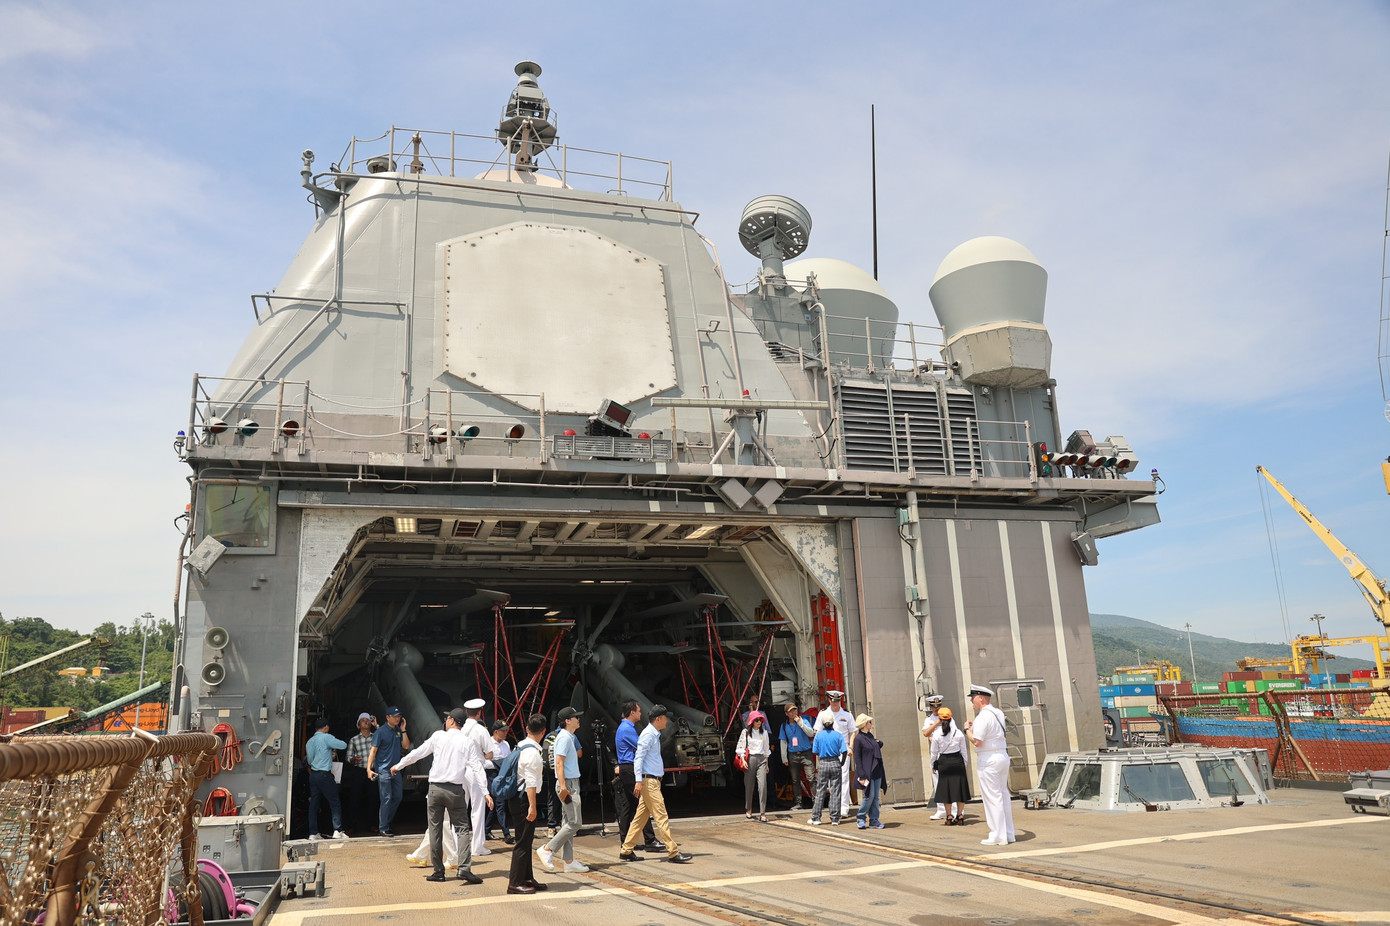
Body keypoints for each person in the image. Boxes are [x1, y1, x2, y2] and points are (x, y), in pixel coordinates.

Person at [391, 708, 483, 885]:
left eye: (447, 718)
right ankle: (464, 869)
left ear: (451, 720)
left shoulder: (438, 736)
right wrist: (486, 792)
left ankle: (438, 872)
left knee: (435, 830)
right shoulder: (467, 741)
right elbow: (477, 768)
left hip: (435, 790)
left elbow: (417, 753)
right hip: (455, 791)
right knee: (462, 829)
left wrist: (398, 766)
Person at [618, 705, 692, 863]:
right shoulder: (648, 735)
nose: (667, 721)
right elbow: (638, 758)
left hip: (651, 781)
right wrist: (638, 780)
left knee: (639, 818)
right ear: (658, 719)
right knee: (661, 816)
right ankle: (673, 852)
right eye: (665, 718)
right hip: (649, 782)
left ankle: (626, 850)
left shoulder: (653, 734)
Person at [537, 706, 588, 873]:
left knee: (568, 822)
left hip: (570, 782)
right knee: (575, 822)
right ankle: (547, 849)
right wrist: (564, 785)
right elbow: (559, 762)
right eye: (576, 717)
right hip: (569, 784)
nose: (578, 719)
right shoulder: (565, 738)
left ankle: (568, 861)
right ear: (567, 721)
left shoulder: (568, 736)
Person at [965, 684, 1015, 846]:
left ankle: (997, 835)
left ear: (981, 698)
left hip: (988, 759)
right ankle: (1008, 833)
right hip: (1002, 756)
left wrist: (967, 730)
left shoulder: (983, 716)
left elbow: (977, 741)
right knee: (1003, 795)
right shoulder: (998, 713)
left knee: (992, 798)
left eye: (973, 698)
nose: (972, 701)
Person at [507, 713, 549, 895]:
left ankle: (527, 877)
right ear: (544, 731)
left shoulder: (520, 746)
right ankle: (515, 882)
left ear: (527, 728)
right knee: (523, 842)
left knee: (525, 840)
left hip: (516, 797)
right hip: (525, 799)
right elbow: (530, 782)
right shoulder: (533, 753)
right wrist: (532, 806)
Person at [613, 701, 658, 851]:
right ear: (632, 712)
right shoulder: (627, 729)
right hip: (630, 768)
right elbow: (641, 747)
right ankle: (650, 840)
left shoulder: (625, 727)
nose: (640, 713)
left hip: (626, 768)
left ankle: (626, 841)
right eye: (638, 711)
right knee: (643, 803)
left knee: (628, 806)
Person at [366, 706, 410, 837]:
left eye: (399, 716)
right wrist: (369, 769)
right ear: (388, 717)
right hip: (384, 770)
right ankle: (383, 828)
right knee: (386, 798)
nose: (397, 719)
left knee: (397, 797)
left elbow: (406, 746)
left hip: (395, 770)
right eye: (395, 716)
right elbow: (373, 751)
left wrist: (403, 729)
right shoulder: (380, 732)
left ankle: (386, 823)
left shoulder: (398, 731)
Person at [459, 698, 496, 857]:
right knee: (478, 809)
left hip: (460, 770)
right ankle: (477, 847)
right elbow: (490, 754)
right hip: (475, 771)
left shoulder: (460, 728)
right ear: (479, 713)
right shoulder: (481, 730)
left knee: (460, 809)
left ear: (466, 712)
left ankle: (457, 846)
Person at [304, 717, 347, 840]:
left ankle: (313, 833)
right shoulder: (326, 737)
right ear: (326, 727)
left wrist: (326, 755)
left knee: (314, 804)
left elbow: (310, 760)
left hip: (313, 775)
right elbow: (343, 745)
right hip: (324, 774)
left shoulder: (310, 741)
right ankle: (337, 830)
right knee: (334, 802)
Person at [929, 707, 970, 825]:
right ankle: (960, 815)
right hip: (957, 761)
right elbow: (964, 751)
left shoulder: (937, 734)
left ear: (940, 719)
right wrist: (965, 764)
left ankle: (949, 816)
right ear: (951, 718)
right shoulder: (958, 733)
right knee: (960, 789)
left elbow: (934, 752)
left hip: (944, 762)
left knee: (946, 789)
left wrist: (933, 764)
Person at [808, 712, 846, 825]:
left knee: (820, 790)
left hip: (823, 763)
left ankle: (816, 817)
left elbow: (815, 752)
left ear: (823, 724)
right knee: (835, 791)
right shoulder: (838, 735)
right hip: (835, 762)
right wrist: (842, 763)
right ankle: (835, 818)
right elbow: (844, 751)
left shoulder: (818, 736)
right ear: (833, 723)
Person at [343, 712, 378, 834]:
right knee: (355, 798)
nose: (366, 721)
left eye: (368, 720)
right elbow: (348, 757)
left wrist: (377, 725)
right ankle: (352, 825)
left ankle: (373, 824)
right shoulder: (354, 740)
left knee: (374, 798)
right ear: (358, 725)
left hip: (372, 771)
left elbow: (385, 737)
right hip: (359, 771)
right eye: (363, 720)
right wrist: (353, 759)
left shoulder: (376, 737)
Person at [852, 713, 887, 829]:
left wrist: (878, 742)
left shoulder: (870, 736)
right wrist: (861, 774)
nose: (871, 724)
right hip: (867, 772)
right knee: (869, 796)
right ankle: (861, 818)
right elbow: (857, 757)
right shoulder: (859, 738)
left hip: (877, 770)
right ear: (865, 724)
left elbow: (878, 744)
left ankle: (874, 820)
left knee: (876, 797)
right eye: (869, 722)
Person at [780, 702, 817, 810]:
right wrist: (784, 757)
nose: (794, 712)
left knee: (811, 778)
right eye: (791, 711)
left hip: (806, 753)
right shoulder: (784, 725)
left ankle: (816, 802)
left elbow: (811, 733)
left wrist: (800, 723)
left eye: (795, 710)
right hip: (793, 754)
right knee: (795, 780)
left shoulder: (804, 720)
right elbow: (783, 742)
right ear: (786, 713)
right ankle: (798, 802)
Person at [825, 690, 856, 817]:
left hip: (843, 750)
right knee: (831, 780)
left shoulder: (847, 715)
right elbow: (818, 733)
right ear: (829, 700)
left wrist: (851, 747)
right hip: (828, 751)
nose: (835, 703)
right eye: (833, 701)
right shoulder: (823, 714)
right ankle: (834, 806)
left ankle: (844, 807)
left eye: (837, 701)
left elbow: (852, 732)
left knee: (843, 778)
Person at [736, 710, 772, 821]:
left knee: (762, 786)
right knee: (749, 786)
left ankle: (762, 812)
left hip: (761, 759)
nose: (759, 722)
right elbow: (740, 747)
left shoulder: (764, 733)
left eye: (760, 720)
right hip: (750, 759)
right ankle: (748, 809)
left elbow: (766, 749)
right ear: (752, 721)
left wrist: (767, 764)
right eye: (757, 720)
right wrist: (743, 759)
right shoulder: (745, 732)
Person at [920, 694, 948, 821]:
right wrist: (937, 722)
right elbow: (926, 733)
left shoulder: (948, 717)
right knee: (937, 782)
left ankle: (954, 810)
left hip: (948, 751)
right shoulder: (929, 720)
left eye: (938, 706)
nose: (937, 709)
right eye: (934, 707)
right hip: (936, 753)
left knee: (950, 781)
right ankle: (941, 809)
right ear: (931, 707)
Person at [485, 720, 513, 843]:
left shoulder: (506, 744)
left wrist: (500, 763)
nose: (506, 733)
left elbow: (510, 760)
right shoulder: (488, 744)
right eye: (503, 731)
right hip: (491, 776)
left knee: (496, 804)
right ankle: (506, 833)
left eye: (506, 730)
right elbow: (484, 762)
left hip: (502, 775)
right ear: (496, 732)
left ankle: (486, 830)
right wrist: (501, 763)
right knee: (500, 803)